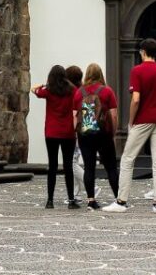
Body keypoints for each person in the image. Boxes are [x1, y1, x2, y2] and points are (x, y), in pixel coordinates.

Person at [103, 38, 156, 213]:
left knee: (128, 159)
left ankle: (121, 201)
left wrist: (131, 121)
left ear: (143, 52)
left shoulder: (137, 71)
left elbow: (136, 99)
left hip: (142, 120)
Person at [32, 65, 80, 209]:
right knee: (68, 166)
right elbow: (78, 102)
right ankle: (71, 200)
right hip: (68, 132)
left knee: (52, 166)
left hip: (51, 132)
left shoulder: (48, 90)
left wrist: (44, 84)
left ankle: (50, 200)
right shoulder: (72, 90)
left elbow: (33, 89)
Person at [73, 63, 119, 210]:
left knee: (89, 167)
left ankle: (91, 200)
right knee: (111, 167)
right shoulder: (107, 91)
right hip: (103, 133)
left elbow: (74, 115)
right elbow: (114, 114)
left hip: (85, 134)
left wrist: (77, 132)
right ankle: (118, 198)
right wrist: (113, 131)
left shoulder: (79, 92)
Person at [65, 65, 90, 203]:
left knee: (71, 163)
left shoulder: (73, 92)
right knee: (74, 161)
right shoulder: (82, 91)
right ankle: (76, 194)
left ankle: (92, 186)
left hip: (73, 130)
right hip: (82, 129)